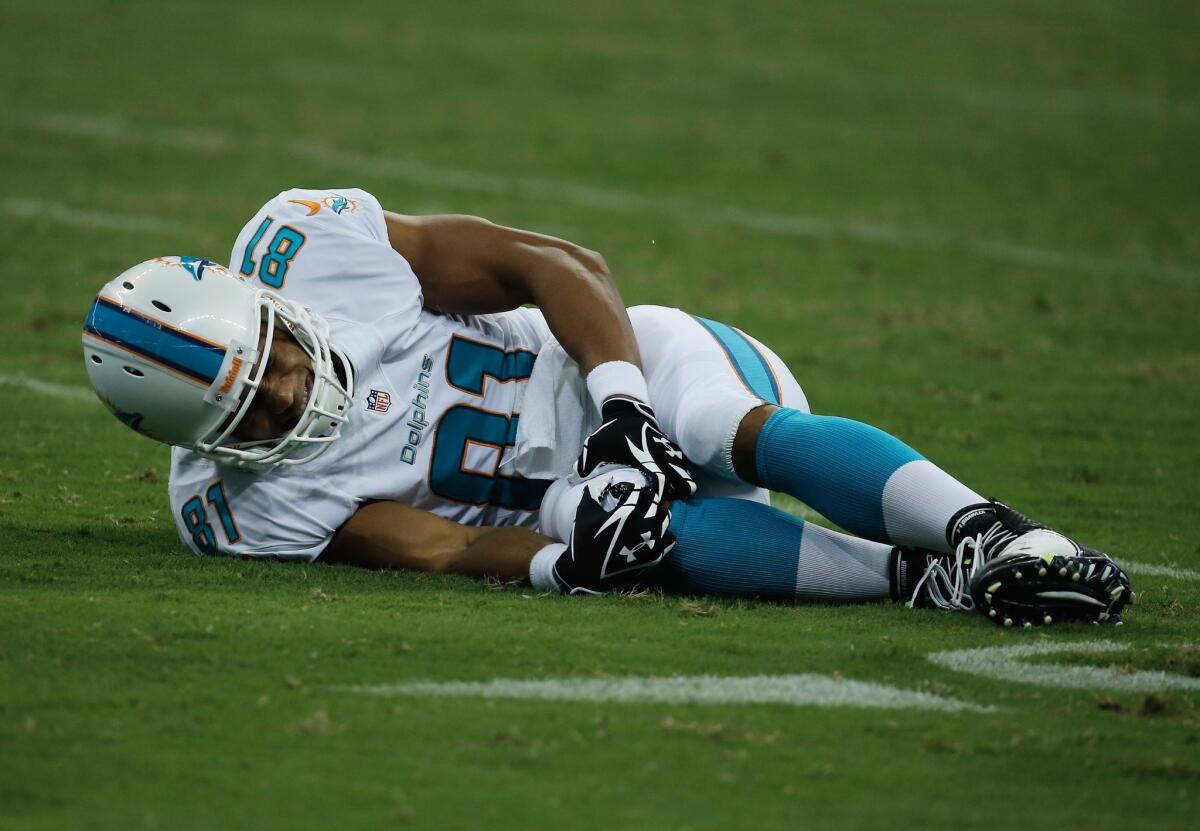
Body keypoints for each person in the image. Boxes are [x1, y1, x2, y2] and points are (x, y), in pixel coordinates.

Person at [82, 188, 1132, 627]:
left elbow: (555, 263)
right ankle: (928, 582)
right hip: (569, 494)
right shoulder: (233, 512)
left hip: (626, 365)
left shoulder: (312, 247)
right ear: (198, 445)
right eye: (250, 419)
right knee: (628, 533)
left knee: (719, 428)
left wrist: (624, 408)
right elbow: (437, 548)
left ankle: (1001, 533)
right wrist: (563, 561)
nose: (285, 398)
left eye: (268, 363)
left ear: (262, 302)